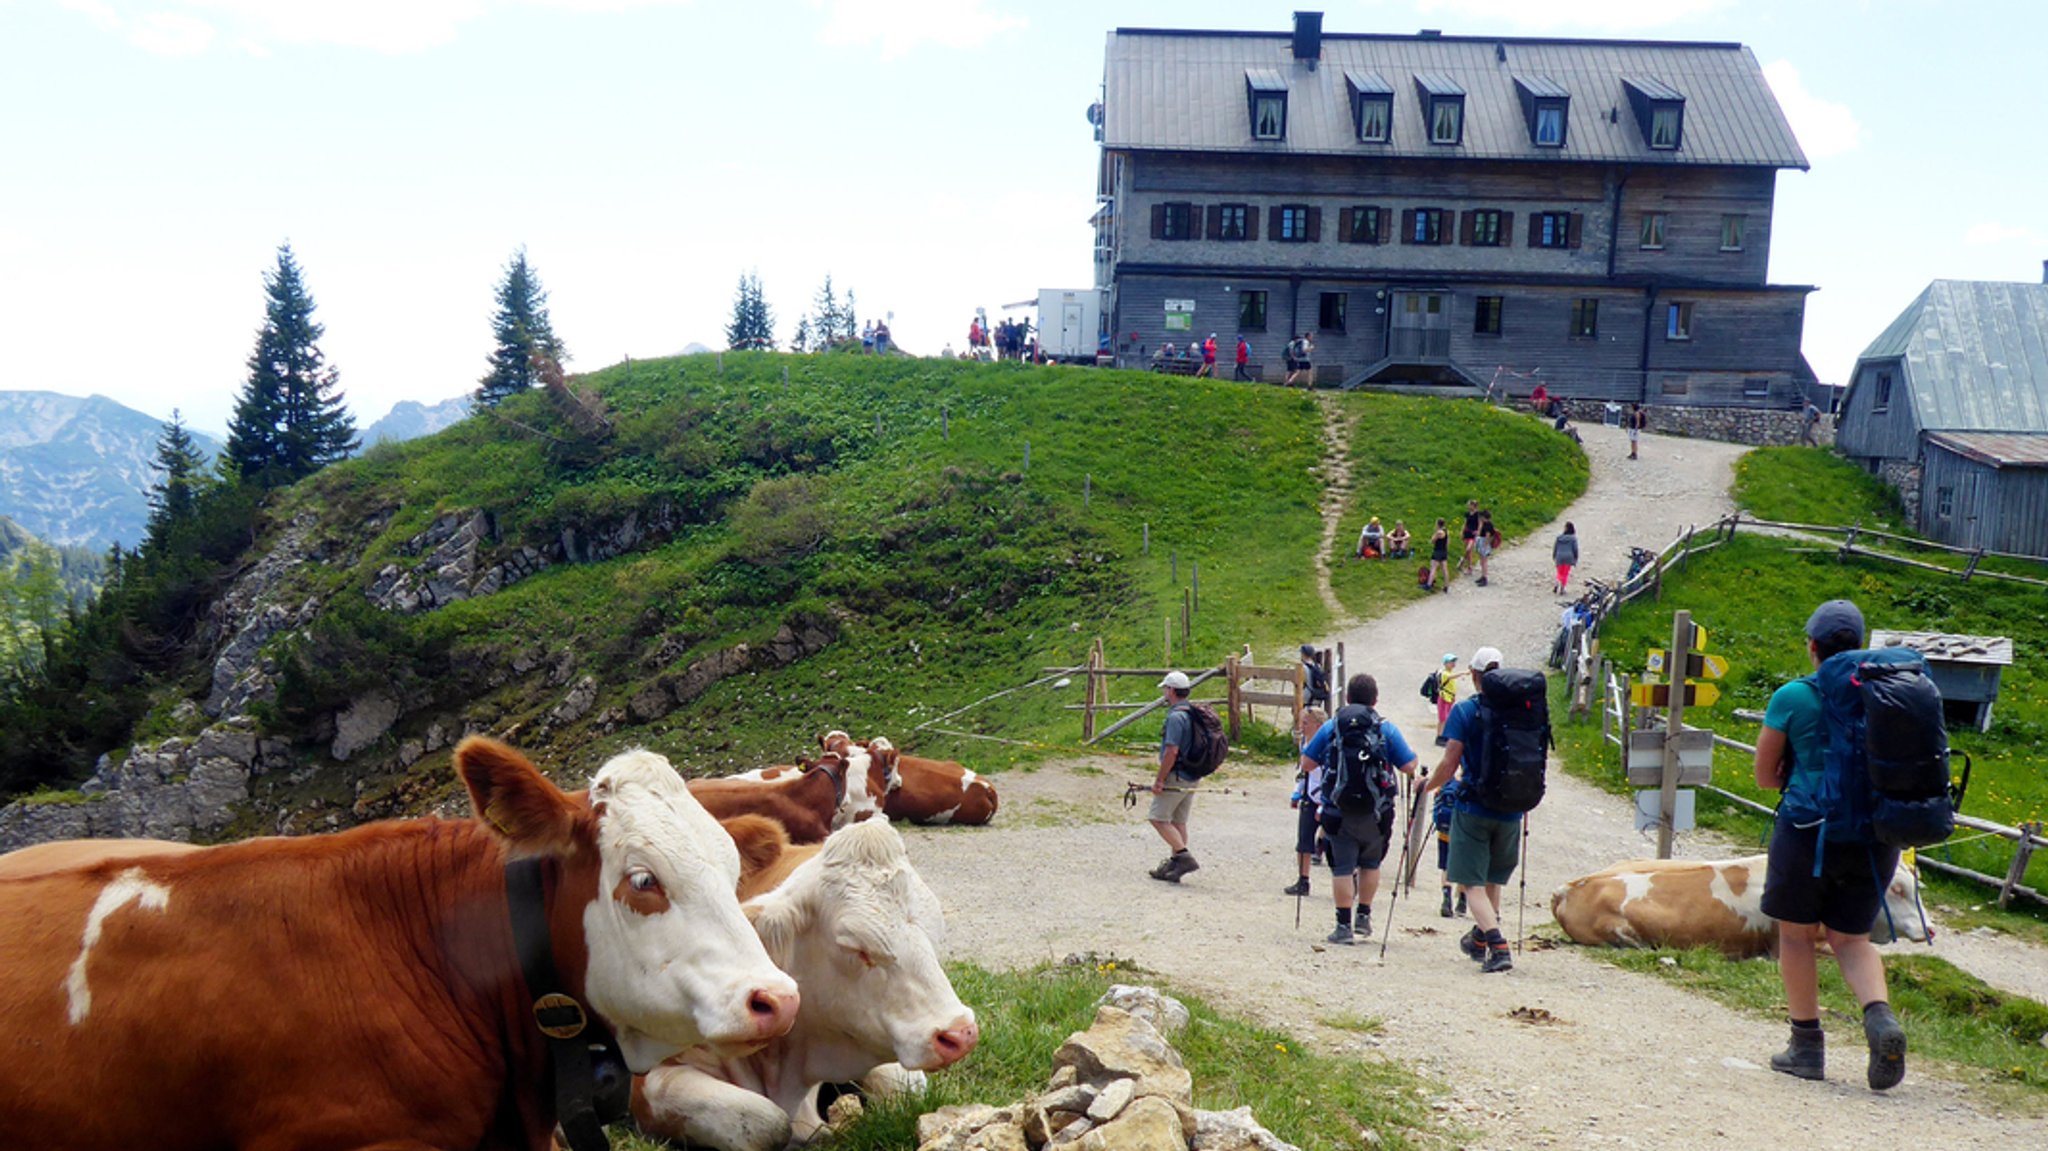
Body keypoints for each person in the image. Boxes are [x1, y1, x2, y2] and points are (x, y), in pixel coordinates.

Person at [1755, 599, 1907, 1090]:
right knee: (1852, 940)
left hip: (1807, 833)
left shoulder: (1793, 697)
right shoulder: (1888, 693)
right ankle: (1880, 1020)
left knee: (1797, 935)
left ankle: (1806, 1048)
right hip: (1874, 837)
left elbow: (1762, 777)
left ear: (1813, 646)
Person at [1298, 674, 1420, 944]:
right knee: (1370, 863)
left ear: (1348, 698)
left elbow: (1307, 763)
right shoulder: (1385, 729)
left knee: (1341, 867)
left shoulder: (1332, 727)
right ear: (1375, 700)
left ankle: (1343, 927)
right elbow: (1409, 767)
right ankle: (1363, 916)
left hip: (1338, 810)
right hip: (1376, 812)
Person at [1421, 646, 1521, 973]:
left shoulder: (1465, 711)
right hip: (1512, 809)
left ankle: (1498, 945)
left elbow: (1450, 764)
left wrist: (1428, 786)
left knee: (1471, 883)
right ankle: (1479, 941)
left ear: (1474, 675)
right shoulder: (1522, 709)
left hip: (1474, 807)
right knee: (1493, 879)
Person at [1148, 671, 1203, 882]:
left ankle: (1182, 856)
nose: (1164, 692)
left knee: (1158, 818)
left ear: (1171, 690)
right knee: (1179, 822)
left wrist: (1160, 779)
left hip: (1177, 774)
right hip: (1192, 773)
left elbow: (1171, 751)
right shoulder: (1192, 713)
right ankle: (1174, 867)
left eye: (1165, 688)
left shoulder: (1176, 717)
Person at [1283, 706, 1329, 896]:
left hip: (1325, 794)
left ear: (1318, 725)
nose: (1301, 726)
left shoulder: (1327, 745)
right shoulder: (1305, 742)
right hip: (1309, 793)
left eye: (1305, 723)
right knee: (1303, 839)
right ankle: (1303, 879)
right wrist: (1297, 792)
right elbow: (1303, 771)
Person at [1433, 777, 1467, 918]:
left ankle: (1446, 898)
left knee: (1446, 866)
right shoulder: (1471, 782)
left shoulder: (1447, 781)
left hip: (1445, 831)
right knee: (1465, 865)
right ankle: (1462, 901)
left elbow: (1437, 797)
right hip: (1466, 832)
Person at [1433, 651, 1458, 746]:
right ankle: (1440, 737)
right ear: (1446, 663)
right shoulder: (1444, 673)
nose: (1453, 664)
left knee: (1446, 718)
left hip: (1449, 698)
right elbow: (1451, 677)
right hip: (1444, 698)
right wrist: (1464, 673)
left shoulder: (1448, 672)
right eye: (1451, 662)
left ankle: (1443, 736)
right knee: (1443, 719)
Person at [1299, 643, 1331, 711]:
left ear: (1303, 654)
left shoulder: (1303, 667)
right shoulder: (1318, 666)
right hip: (1317, 696)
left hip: (1307, 697)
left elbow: (1300, 683)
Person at [1552, 521, 1579, 596]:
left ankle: (1557, 583)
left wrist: (1554, 556)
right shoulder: (1573, 538)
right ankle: (1562, 588)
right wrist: (1575, 558)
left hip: (1559, 556)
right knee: (1565, 573)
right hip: (1569, 557)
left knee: (1559, 573)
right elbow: (1575, 549)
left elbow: (1555, 548)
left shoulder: (1559, 537)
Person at [1473, 510, 1497, 587]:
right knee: (1482, 562)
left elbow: (1488, 535)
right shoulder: (1487, 524)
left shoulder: (1487, 525)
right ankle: (1483, 576)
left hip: (1484, 543)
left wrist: (1485, 545)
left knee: (1484, 562)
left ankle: (1485, 577)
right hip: (1484, 542)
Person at [1427, 518, 1451, 594]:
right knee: (1445, 569)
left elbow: (1432, 540)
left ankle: (1429, 584)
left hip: (1437, 551)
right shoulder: (1446, 531)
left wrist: (1434, 534)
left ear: (1437, 524)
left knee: (1433, 567)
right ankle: (1446, 585)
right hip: (1444, 551)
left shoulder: (1439, 532)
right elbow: (1448, 541)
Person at [1458, 499, 1481, 573]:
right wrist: (1462, 531)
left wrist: (1478, 531)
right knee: (1468, 551)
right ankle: (1469, 566)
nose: (1468, 506)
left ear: (1473, 506)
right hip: (1467, 533)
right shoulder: (1467, 514)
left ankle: (1463, 562)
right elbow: (1465, 523)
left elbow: (1480, 524)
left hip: (1473, 534)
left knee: (1468, 549)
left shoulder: (1478, 514)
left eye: (1469, 505)